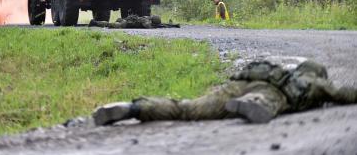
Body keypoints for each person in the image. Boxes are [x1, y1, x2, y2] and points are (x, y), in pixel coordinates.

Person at [92, 61, 357, 125]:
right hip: (272, 92)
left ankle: (134, 108)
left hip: (235, 85)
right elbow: (345, 93)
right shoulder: (315, 82)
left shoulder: (278, 66)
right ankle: (254, 105)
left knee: (189, 109)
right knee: (266, 100)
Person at [89, 14, 180, 29]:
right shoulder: (146, 20)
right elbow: (148, 27)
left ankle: (95, 22)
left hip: (126, 22)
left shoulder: (147, 18)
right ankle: (95, 23)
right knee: (110, 25)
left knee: (110, 24)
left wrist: (170, 25)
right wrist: (158, 27)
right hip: (124, 24)